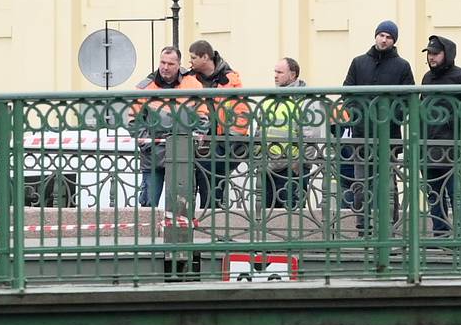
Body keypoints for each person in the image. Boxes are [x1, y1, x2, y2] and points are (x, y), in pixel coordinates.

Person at [341, 20, 414, 236]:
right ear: (375, 36)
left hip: (388, 137)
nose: (384, 40)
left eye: (389, 37)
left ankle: (389, 226)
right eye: (381, 35)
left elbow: (408, 98)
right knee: (361, 184)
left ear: (394, 41)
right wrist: (357, 115)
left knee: (388, 185)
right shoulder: (358, 62)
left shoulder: (402, 66)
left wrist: (392, 117)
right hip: (361, 135)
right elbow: (347, 91)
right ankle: (363, 227)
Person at [420, 35, 461, 237]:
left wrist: (453, 118)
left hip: (450, 145)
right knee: (434, 194)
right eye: (429, 53)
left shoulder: (460, 76)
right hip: (427, 145)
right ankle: (440, 233)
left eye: (435, 53)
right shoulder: (427, 78)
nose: (431, 57)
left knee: (455, 193)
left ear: (447, 54)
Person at [178, 40, 248, 209]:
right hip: (194, 141)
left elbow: (242, 113)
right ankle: (192, 222)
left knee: (212, 181)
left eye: (193, 57)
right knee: (188, 184)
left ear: (205, 57)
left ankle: (210, 219)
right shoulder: (189, 79)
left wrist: (227, 141)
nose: (190, 61)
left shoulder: (230, 79)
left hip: (221, 143)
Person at [258, 57, 321, 210]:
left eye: (280, 72)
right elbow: (259, 132)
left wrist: (299, 165)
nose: (275, 75)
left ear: (293, 75)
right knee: (266, 219)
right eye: (275, 72)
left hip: (291, 169)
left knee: (292, 220)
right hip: (268, 168)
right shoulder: (270, 99)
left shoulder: (305, 100)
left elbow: (311, 137)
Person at [129, 47, 187, 208]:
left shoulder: (191, 84)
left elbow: (202, 116)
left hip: (181, 155)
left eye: (170, 63)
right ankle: (148, 234)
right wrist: (148, 145)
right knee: (149, 205)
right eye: (162, 62)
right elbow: (134, 122)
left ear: (178, 65)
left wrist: (191, 145)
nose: (165, 67)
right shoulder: (145, 87)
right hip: (152, 156)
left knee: (179, 208)